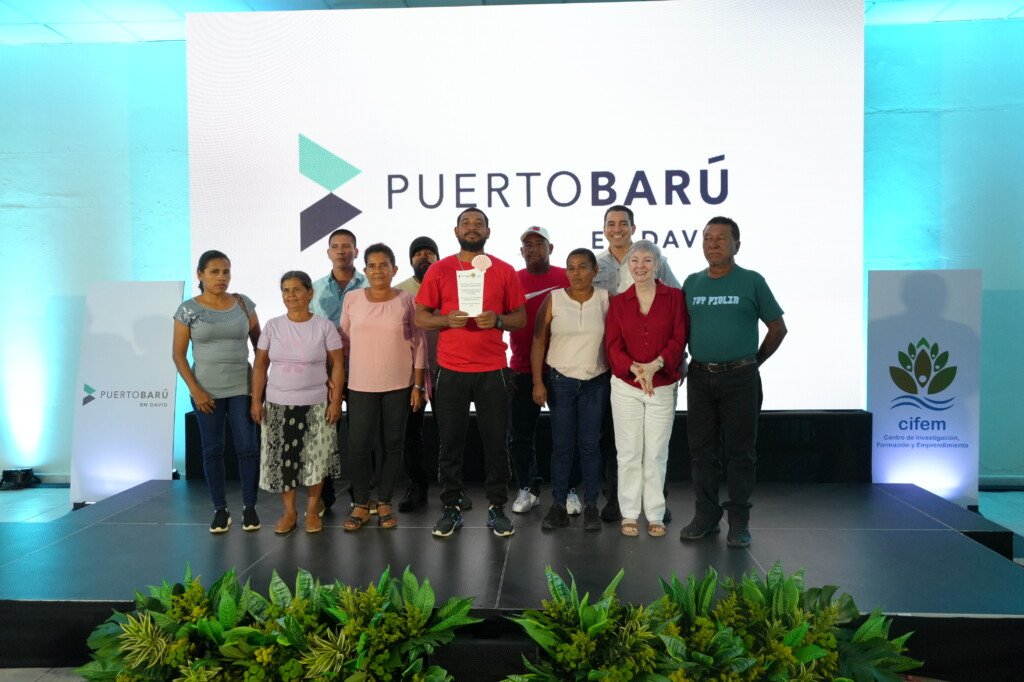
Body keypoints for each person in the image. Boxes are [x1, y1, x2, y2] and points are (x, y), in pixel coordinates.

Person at [415, 207, 526, 537]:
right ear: (456, 231)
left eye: (479, 223)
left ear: (488, 232)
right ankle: (451, 507)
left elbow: (520, 318)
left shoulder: (504, 270)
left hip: (493, 370)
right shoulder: (440, 269)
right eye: (466, 223)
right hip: (451, 369)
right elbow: (421, 316)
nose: (472, 227)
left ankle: (497, 508)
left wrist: (500, 320)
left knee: (496, 444)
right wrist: (445, 320)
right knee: (450, 444)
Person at [679, 217, 786, 548]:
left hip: (741, 378)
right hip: (699, 377)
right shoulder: (692, 283)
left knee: (740, 453)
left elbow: (778, 328)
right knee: (701, 452)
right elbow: (681, 330)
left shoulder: (752, 281)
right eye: (707, 238)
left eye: (721, 238)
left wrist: (753, 362)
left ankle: (738, 521)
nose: (712, 243)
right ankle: (706, 515)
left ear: (737, 245)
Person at [593, 205, 681, 523]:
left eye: (623, 223)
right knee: (618, 438)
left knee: (655, 445)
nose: (617, 228)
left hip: (657, 367)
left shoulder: (655, 259)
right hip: (612, 362)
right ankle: (617, 501)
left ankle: (657, 503)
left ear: (633, 227)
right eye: (611, 223)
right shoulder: (596, 265)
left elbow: (676, 307)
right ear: (604, 228)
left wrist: (669, 360)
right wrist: (627, 365)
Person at [172, 250, 262, 533]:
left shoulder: (243, 304)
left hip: (242, 387)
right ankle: (220, 510)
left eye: (226, 271)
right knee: (212, 450)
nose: (222, 277)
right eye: (214, 272)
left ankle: (250, 507)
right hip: (206, 391)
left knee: (248, 448)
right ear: (200, 274)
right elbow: (178, 355)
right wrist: (196, 390)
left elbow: (261, 348)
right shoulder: (188, 310)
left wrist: (259, 388)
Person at [605, 240, 688, 538]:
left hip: (662, 385)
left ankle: (655, 514)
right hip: (626, 386)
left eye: (647, 260)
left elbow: (679, 336)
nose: (640, 266)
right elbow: (612, 345)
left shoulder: (675, 297)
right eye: (635, 260)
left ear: (657, 264)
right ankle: (629, 513)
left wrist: (655, 365)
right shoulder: (619, 302)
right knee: (628, 453)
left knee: (655, 453)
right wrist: (636, 369)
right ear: (628, 265)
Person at [250, 271, 344, 534]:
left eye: (296, 289)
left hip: (316, 404)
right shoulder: (273, 326)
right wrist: (256, 400)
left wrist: (336, 402)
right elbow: (260, 365)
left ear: (309, 293)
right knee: (284, 462)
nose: (290, 295)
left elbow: (338, 365)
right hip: (278, 405)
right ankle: (289, 512)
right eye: (286, 290)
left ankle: (312, 511)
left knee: (316, 459)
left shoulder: (324, 326)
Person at [341, 244, 427, 531]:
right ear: (365, 270)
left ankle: (385, 502)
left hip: (399, 385)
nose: (378, 271)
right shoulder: (352, 299)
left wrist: (418, 386)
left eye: (384, 265)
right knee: (358, 446)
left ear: (394, 269)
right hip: (360, 386)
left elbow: (420, 345)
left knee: (393, 445)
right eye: (372, 266)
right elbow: (344, 341)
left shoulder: (407, 300)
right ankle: (361, 503)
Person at [531, 248, 610, 532]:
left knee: (590, 446)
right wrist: (538, 382)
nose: (576, 273)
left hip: (595, 383)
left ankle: (591, 507)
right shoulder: (554, 299)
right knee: (562, 447)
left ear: (595, 271)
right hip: (560, 382)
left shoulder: (605, 299)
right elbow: (538, 341)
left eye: (582, 267)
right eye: (571, 268)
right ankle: (558, 506)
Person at [507, 226, 572, 515]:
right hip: (521, 369)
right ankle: (527, 487)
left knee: (567, 434)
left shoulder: (566, 277)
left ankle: (569, 489)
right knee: (520, 435)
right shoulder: (512, 279)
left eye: (539, 243)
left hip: (562, 368)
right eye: (528, 245)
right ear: (521, 251)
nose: (533, 249)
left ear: (551, 248)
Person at [310, 228, 368, 511]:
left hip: (363, 367)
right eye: (336, 246)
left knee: (361, 435)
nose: (341, 251)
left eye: (347, 246)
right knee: (324, 432)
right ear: (328, 252)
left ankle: (361, 494)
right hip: (324, 369)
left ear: (356, 251)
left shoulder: (370, 285)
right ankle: (325, 495)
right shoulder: (314, 289)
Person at [395, 236, 440, 513]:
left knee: (450, 432)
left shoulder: (448, 285)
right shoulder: (400, 291)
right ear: (410, 260)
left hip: (446, 367)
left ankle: (452, 489)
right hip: (412, 373)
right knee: (411, 433)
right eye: (418, 253)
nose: (424, 257)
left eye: (429, 252)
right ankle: (417, 487)